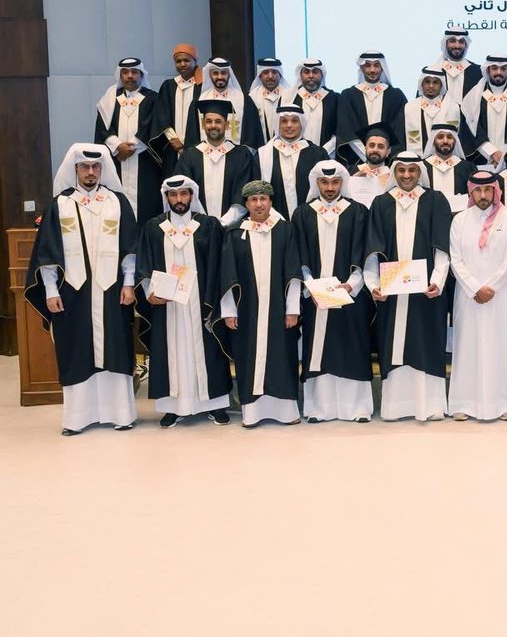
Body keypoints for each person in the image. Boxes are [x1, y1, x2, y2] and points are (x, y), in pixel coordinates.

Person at [26, 145, 138, 435]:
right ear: (74, 169)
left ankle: (120, 414)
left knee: (116, 348)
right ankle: (77, 418)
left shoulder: (117, 202)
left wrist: (129, 284)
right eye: (84, 167)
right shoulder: (60, 205)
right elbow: (47, 253)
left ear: (102, 169)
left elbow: (130, 248)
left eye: (95, 167)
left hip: (112, 291)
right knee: (76, 350)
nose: (90, 172)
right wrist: (50, 290)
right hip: (72, 292)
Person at [364, 152, 453, 421]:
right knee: (394, 345)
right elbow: (372, 249)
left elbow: (442, 247)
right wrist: (373, 284)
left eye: (412, 170)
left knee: (425, 342)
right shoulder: (381, 203)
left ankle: (430, 406)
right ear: (394, 173)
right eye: (401, 170)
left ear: (420, 173)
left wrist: (437, 281)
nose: (406, 175)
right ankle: (395, 407)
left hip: (425, 292)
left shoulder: (435, 200)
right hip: (391, 294)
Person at [136, 175, 230, 427]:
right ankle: (173, 407)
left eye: (184, 194)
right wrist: (150, 292)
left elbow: (220, 264)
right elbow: (144, 263)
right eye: (173, 195)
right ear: (166, 197)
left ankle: (215, 405)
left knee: (209, 351)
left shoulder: (208, 225)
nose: (179, 199)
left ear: (192, 196)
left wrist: (214, 299)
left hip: (202, 303)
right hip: (169, 307)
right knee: (171, 352)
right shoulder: (154, 227)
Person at [293, 161, 374, 423]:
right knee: (320, 349)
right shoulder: (303, 214)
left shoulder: (358, 212)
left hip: (350, 295)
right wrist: (311, 285)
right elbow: (298, 255)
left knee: (352, 346)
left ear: (343, 183)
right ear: (315, 183)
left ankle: (358, 408)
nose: (330, 188)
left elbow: (365, 252)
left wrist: (352, 284)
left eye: (335, 182)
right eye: (324, 182)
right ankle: (319, 408)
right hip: (316, 297)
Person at [216, 181, 302, 427]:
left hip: (279, 310)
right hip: (247, 311)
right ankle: (252, 413)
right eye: (253, 200)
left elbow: (293, 271)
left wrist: (293, 309)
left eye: (263, 199)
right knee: (249, 358)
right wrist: (229, 312)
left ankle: (286, 412)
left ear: (271, 202)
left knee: (282, 357)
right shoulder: (235, 234)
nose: (259, 204)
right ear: (246, 204)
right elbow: (227, 275)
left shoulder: (285, 230)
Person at [447, 171, 507, 421]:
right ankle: (464, 403)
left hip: (501, 295)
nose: (483, 195)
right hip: (468, 296)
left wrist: (492, 286)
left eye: (487, 190)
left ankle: (505, 403)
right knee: (467, 346)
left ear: (495, 191)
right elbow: (455, 258)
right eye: (477, 190)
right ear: (471, 192)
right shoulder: (460, 220)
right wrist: (474, 287)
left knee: (503, 346)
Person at [94, 57, 161, 224]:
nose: (130, 76)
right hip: (117, 158)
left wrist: (131, 147)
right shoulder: (109, 99)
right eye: (125, 72)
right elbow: (103, 127)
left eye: (134, 72)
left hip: (144, 159)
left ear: (141, 74)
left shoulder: (153, 98)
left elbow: (152, 125)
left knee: (147, 205)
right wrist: (118, 146)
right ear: (120, 75)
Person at [175, 99, 256, 227]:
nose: (213, 125)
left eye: (218, 121)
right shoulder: (190, 156)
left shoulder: (241, 155)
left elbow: (243, 193)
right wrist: (202, 222)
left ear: (227, 125)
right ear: (203, 124)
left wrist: (222, 224)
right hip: (196, 227)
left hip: (233, 228)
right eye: (208, 121)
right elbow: (183, 193)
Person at [253, 103, 328, 219]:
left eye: (294, 121)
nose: (289, 125)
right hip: (274, 220)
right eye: (284, 121)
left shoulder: (317, 154)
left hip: (311, 219)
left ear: (301, 123)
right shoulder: (263, 155)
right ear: (278, 124)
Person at [336, 51, 407, 164]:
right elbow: (346, 128)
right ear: (361, 68)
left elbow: (399, 130)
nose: (372, 70)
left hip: (388, 160)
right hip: (356, 160)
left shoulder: (396, 95)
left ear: (382, 68)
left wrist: (383, 154)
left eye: (376, 65)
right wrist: (366, 155)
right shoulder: (348, 95)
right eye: (368, 65)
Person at [460, 54, 507, 165]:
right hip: (481, 157)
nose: (499, 72)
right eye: (494, 68)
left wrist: (505, 154)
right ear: (488, 70)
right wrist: (491, 152)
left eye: (503, 69)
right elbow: (472, 128)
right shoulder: (475, 96)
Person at [151, 43, 202, 172]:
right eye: (178, 61)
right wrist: (174, 140)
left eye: (187, 60)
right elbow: (161, 115)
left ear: (195, 61)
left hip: (197, 145)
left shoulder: (202, 86)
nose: (182, 64)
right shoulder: (169, 86)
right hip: (172, 146)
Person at [197, 57, 264, 148]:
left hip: (237, 154)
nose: (220, 77)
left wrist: (243, 153)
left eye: (223, 73)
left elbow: (252, 133)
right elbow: (194, 134)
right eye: (215, 73)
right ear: (209, 75)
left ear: (229, 74)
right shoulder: (200, 99)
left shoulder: (244, 99)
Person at [282, 57, 340, 155]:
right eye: (306, 72)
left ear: (322, 74)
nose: (311, 76)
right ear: (300, 75)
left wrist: (323, 151)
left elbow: (339, 130)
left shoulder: (335, 98)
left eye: (315, 72)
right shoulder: (290, 98)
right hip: (296, 155)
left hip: (328, 155)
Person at [402, 65, 461, 156]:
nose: (431, 86)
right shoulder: (410, 108)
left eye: (435, 82)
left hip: (444, 158)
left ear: (441, 85)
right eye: (427, 82)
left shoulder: (453, 108)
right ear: (421, 84)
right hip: (417, 162)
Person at [421, 122, 472, 206]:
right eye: (440, 137)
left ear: (455, 141)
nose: (445, 141)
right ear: (433, 141)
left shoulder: (468, 168)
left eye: (449, 137)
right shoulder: (422, 167)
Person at [246, 57, 291, 145]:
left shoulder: (290, 95)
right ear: (260, 75)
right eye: (266, 72)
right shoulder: (252, 97)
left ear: (280, 75)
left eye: (274, 72)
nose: (270, 76)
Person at [437, 26, 483, 108]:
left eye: (461, 42)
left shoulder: (478, 72)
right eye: (452, 41)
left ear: (466, 45)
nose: (457, 46)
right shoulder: (435, 70)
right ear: (446, 44)